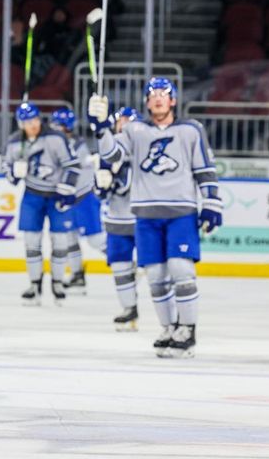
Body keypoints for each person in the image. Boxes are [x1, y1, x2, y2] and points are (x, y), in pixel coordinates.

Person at [88, 77, 223, 358]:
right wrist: (100, 128)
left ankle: (188, 329)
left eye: (164, 94)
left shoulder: (190, 130)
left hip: (181, 211)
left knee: (181, 269)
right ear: (147, 102)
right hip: (146, 213)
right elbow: (112, 155)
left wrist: (211, 203)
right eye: (153, 95)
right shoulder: (135, 130)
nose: (158, 98)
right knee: (156, 276)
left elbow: (204, 169)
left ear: (173, 100)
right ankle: (169, 327)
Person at [3, 103, 80, 306]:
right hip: (32, 195)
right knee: (31, 242)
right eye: (27, 122)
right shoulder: (13, 143)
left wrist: (66, 189)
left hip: (56, 195)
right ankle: (35, 284)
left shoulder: (56, 138)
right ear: (21, 123)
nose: (33, 125)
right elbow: (8, 172)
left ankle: (57, 283)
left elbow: (73, 166)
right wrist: (14, 173)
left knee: (61, 242)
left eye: (35, 120)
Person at [48, 107, 101, 296]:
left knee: (95, 240)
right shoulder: (58, 143)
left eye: (57, 125)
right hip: (69, 197)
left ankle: (125, 263)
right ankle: (77, 274)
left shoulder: (77, 146)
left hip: (83, 196)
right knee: (70, 236)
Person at [99, 107, 143, 332]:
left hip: (143, 218)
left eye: (129, 121)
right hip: (117, 218)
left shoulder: (144, 147)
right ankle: (129, 308)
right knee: (119, 265)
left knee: (158, 268)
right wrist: (102, 185)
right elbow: (101, 192)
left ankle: (174, 315)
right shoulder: (108, 150)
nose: (123, 125)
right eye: (120, 121)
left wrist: (115, 179)